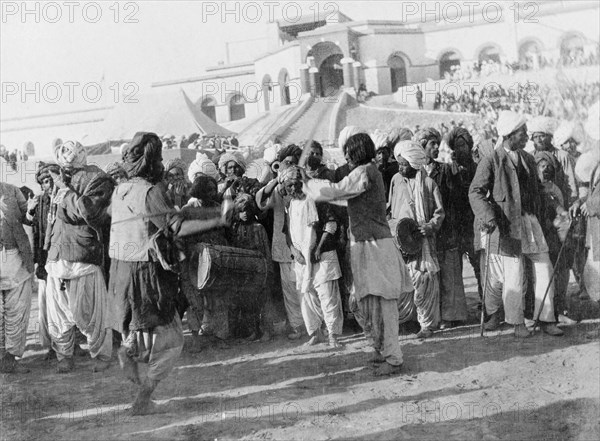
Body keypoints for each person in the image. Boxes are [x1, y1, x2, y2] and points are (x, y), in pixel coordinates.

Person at [109, 132, 229, 415]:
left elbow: (161, 219)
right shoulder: (151, 193)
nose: (162, 164)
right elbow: (175, 228)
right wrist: (218, 218)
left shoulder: (120, 190)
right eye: (159, 158)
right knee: (172, 339)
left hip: (121, 272)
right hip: (145, 274)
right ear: (150, 162)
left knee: (140, 333)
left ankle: (133, 364)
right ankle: (143, 395)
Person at [303, 133, 413, 376]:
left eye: (349, 154)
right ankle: (381, 348)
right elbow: (345, 198)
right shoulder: (366, 171)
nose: (347, 158)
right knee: (368, 301)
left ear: (357, 153)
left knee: (383, 303)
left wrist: (308, 183)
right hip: (366, 244)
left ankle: (393, 358)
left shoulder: (364, 171)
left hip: (376, 246)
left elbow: (337, 191)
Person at [469, 111, 563, 337]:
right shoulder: (492, 159)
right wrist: (489, 217)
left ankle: (546, 318)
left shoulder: (528, 158)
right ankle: (517, 323)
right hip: (506, 225)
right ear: (510, 134)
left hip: (530, 223)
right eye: (523, 133)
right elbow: (475, 192)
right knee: (513, 274)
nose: (527, 137)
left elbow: (538, 191)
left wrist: (558, 208)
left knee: (544, 267)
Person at [44, 141, 117, 373]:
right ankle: (63, 355)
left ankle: (101, 354)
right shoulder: (59, 179)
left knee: (91, 311)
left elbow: (89, 213)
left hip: (83, 255)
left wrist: (65, 191)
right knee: (58, 312)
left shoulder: (98, 179)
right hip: (57, 256)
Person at [390, 140, 445, 338]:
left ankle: (427, 325)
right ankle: (406, 321)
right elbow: (391, 208)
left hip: (422, 242)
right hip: (400, 242)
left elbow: (439, 213)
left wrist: (430, 226)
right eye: (399, 163)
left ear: (413, 163)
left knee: (424, 281)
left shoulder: (429, 183)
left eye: (403, 164)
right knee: (403, 282)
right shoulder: (396, 180)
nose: (400, 167)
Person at [283, 166, 343, 347]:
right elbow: (287, 233)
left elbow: (331, 225)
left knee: (327, 295)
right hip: (301, 259)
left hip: (322, 255)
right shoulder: (290, 204)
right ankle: (316, 333)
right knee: (307, 297)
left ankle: (332, 335)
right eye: (289, 186)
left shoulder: (318, 200)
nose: (293, 189)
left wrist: (317, 248)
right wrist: (295, 252)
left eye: (296, 184)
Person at [416, 128, 468, 329]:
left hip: (446, 229)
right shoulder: (415, 172)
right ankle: (431, 316)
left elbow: (455, 202)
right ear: (422, 147)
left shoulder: (445, 170)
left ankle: (450, 315)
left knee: (449, 273)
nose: (436, 147)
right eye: (432, 144)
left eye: (437, 144)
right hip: (424, 231)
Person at [256, 145, 305, 340]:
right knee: (290, 288)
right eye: (287, 163)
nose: (290, 166)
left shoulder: (303, 186)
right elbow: (260, 201)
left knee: (306, 286)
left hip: (303, 244)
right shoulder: (277, 189)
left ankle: (313, 324)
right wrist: (277, 178)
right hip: (284, 247)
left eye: (294, 163)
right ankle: (297, 325)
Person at [26, 162, 60, 360]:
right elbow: (33, 227)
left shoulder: (64, 198)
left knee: (64, 303)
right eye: (45, 181)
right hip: (46, 259)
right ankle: (52, 346)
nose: (49, 184)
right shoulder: (39, 202)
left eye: (51, 180)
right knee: (48, 305)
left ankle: (68, 344)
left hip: (61, 258)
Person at [229, 192, 274, 342]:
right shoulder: (235, 228)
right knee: (248, 303)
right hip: (244, 272)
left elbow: (266, 251)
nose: (245, 214)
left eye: (248, 210)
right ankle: (253, 331)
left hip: (259, 271)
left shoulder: (258, 228)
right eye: (241, 211)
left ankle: (267, 331)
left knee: (264, 301)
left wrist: (268, 271)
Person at [445, 127, 482, 302]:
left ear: (469, 146)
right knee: (455, 267)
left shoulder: (477, 167)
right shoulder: (449, 169)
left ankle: (486, 302)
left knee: (478, 264)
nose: (460, 149)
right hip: (456, 224)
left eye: (463, 145)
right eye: (456, 146)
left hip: (473, 223)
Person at [0, 181, 33, 374]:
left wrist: (31, 211)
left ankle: (9, 359)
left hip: (15, 258)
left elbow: (27, 218)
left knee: (16, 310)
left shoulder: (12, 190)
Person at [528, 116, 578, 206]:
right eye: (535, 137)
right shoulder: (529, 157)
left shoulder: (562, 156)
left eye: (542, 136)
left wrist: (572, 202)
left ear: (550, 136)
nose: (539, 140)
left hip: (561, 201)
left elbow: (571, 183)